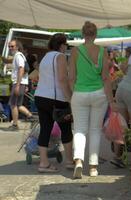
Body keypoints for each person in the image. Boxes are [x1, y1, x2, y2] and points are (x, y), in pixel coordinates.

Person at [68, 21, 115, 178]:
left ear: (83, 34)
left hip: (79, 93)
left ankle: (79, 161)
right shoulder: (103, 51)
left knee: (80, 129)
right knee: (95, 129)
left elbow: (71, 77)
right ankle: (93, 167)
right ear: (95, 35)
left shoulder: (75, 52)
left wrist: (73, 94)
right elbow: (106, 78)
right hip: (99, 94)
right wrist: (111, 99)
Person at [34, 33, 73, 173]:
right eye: (65, 45)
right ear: (62, 45)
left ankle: (43, 163)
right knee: (66, 129)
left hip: (40, 96)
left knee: (45, 129)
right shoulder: (60, 56)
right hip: (56, 99)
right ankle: (69, 161)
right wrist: (70, 99)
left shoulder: (45, 57)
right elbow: (62, 79)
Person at [5, 39, 34, 131]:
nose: (10, 48)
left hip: (18, 83)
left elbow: (21, 69)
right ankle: (30, 116)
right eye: (9, 46)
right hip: (22, 83)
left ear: (17, 47)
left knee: (13, 105)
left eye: (12, 46)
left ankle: (15, 125)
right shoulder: (20, 56)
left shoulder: (18, 56)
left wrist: (17, 85)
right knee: (18, 104)